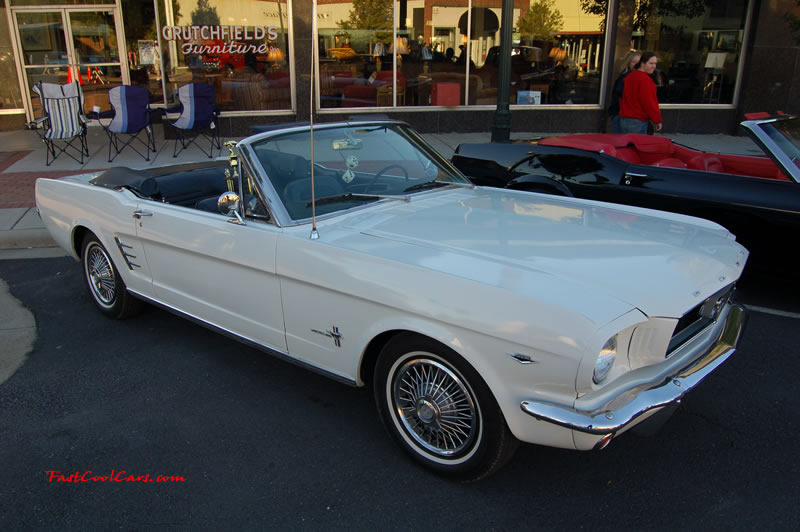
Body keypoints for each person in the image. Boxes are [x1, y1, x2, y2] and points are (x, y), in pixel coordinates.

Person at [619, 52, 663, 134]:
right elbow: (649, 102)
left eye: (655, 63)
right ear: (642, 63)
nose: (654, 66)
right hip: (638, 120)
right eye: (651, 63)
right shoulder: (645, 80)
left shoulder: (629, 77)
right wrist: (657, 120)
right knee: (638, 145)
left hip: (624, 118)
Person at [608, 51, 641, 133]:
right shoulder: (626, 77)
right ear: (628, 63)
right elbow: (621, 94)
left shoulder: (637, 77)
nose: (637, 64)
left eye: (639, 62)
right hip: (620, 114)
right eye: (634, 62)